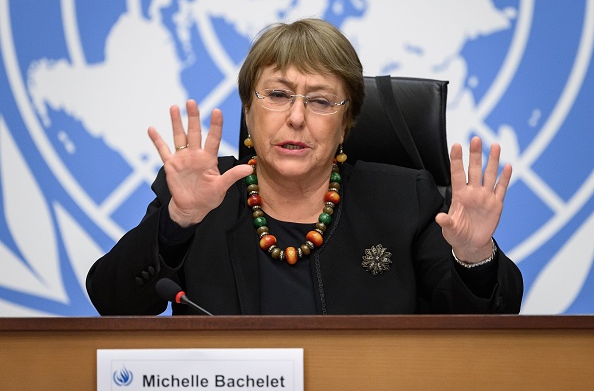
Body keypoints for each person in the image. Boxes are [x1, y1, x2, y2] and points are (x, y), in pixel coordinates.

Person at [86, 18, 523, 315]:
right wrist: (178, 221)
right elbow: (112, 300)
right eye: (277, 95)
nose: (296, 117)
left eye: (319, 101)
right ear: (248, 111)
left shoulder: (403, 199)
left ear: (346, 124)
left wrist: (473, 256)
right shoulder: (202, 194)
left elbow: (480, 326)